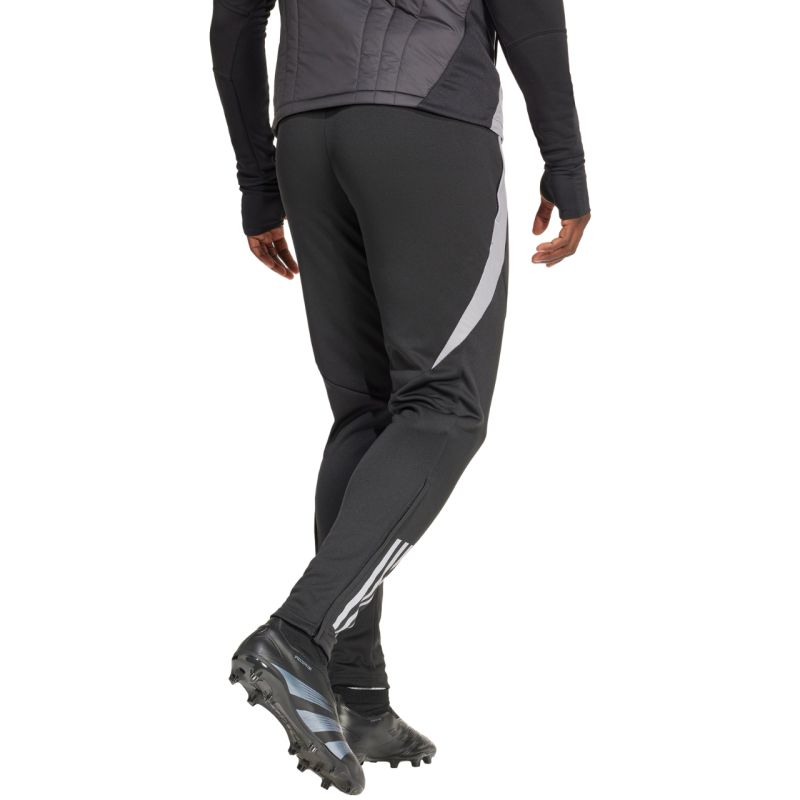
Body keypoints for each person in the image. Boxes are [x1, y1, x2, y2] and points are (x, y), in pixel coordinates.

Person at [210, 0, 591, 793]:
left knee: (369, 413)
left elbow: (234, 21)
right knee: (445, 410)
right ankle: (298, 636)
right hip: (428, 123)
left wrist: (258, 178)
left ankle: (356, 696)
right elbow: (527, 14)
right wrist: (567, 163)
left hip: (307, 134)